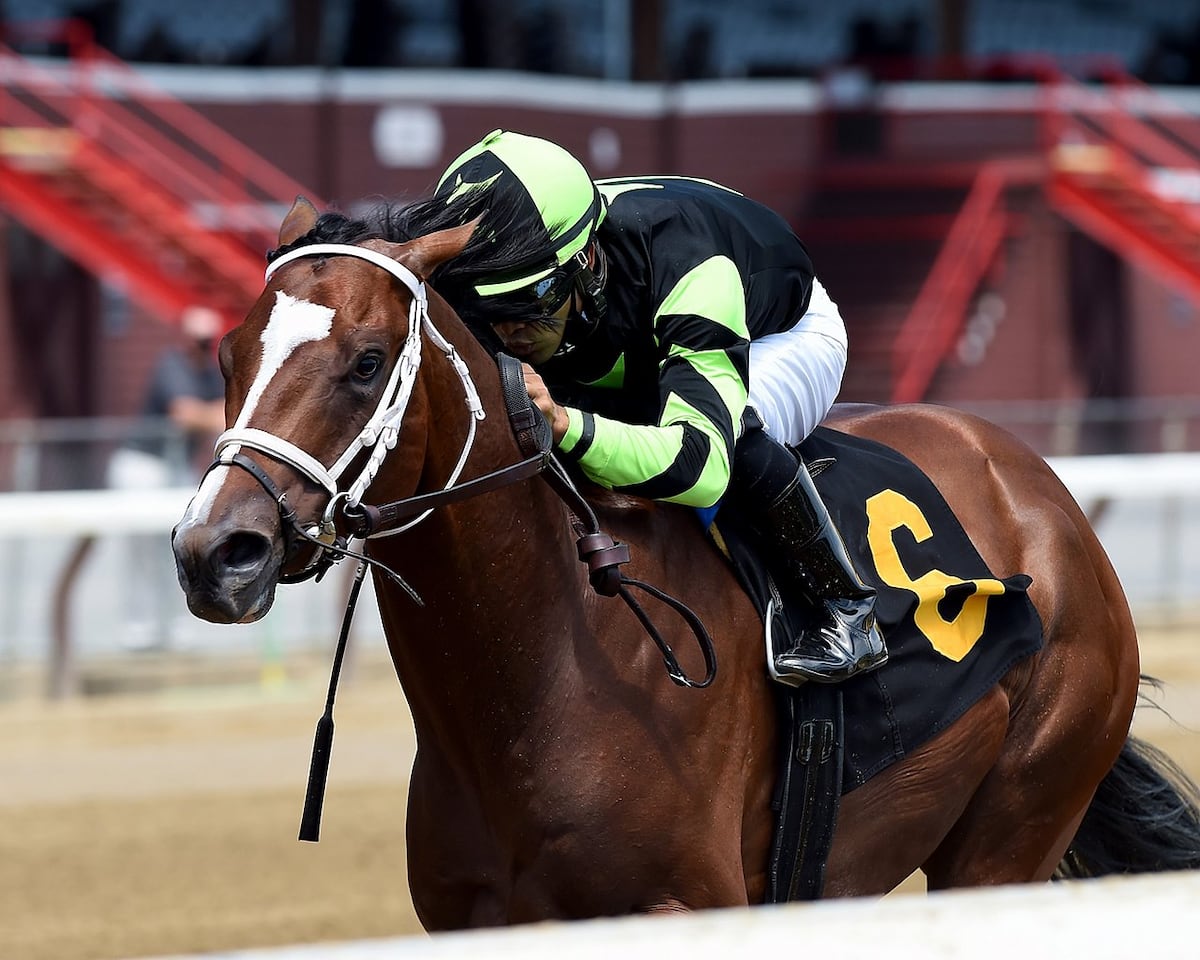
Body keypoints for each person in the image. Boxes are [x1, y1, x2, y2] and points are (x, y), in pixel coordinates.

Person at [428, 129, 887, 684]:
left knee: (734, 434)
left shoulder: (689, 261)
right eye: (488, 309)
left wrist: (569, 425)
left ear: (587, 258)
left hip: (780, 333)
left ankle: (844, 611)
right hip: (631, 345)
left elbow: (702, 467)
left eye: (534, 303)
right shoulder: (510, 269)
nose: (510, 330)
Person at [107, 305, 226, 648]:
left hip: (176, 467)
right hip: (143, 465)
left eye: (207, 340)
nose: (202, 346)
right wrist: (211, 414)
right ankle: (140, 627)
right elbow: (185, 413)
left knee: (180, 549)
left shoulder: (207, 373)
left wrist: (208, 414)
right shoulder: (170, 363)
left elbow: (219, 410)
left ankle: (174, 625)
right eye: (197, 339)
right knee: (141, 551)